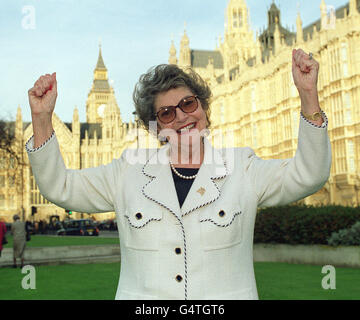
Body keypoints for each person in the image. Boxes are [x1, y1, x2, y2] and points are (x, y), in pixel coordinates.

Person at [25, 48, 331, 299]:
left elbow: (309, 174)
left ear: (204, 108)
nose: (182, 116)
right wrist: (41, 119)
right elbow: (59, 186)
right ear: (154, 128)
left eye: (188, 103)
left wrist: (308, 96)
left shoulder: (242, 168)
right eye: (167, 113)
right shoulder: (128, 172)